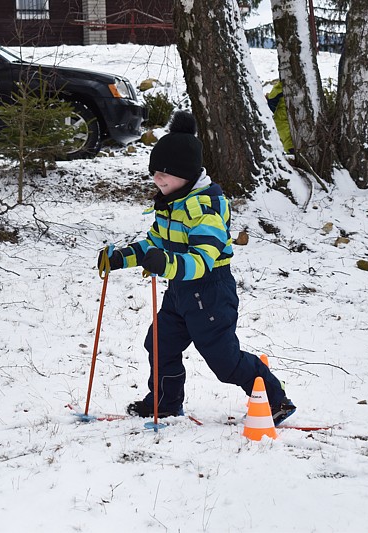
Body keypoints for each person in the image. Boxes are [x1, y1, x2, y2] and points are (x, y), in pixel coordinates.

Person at [96, 110, 297, 425]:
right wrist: (121, 257)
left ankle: (275, 398)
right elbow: (154, 245)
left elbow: (202, 261)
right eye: (154, 172)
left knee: (225, 362)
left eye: (166, 172)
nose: (158, 178)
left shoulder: (206, 209)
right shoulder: (170, 204)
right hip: (179, 292)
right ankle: (164, 402)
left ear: (187, 173)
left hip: (210, 293)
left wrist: (167, 264)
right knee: (160, 344)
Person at [266, 81, 294, 153]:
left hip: (293, 120)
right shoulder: (278, 90)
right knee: (288, 141)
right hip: (282, 121)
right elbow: (270, 108)